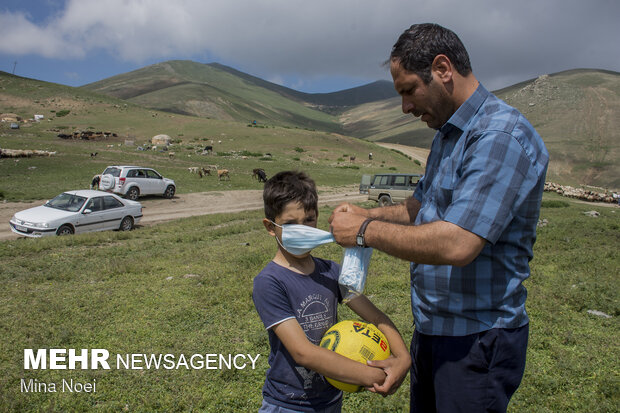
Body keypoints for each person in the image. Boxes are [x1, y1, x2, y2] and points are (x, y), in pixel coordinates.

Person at [329, 23, 549, 412]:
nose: (405, 108)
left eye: (409, 90)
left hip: (476, 340)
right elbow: (419, 209)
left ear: (443, 69)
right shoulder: (448, 137)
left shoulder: (500, 136)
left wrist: (364, 230)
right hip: (434, 331)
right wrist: (370, 212)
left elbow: (459, 242)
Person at [253, 170, 411, 412]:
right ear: (271, 227)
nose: (303, 229)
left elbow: (376, 317)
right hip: (287, 405)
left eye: (309, 220)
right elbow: (302, 352)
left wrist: (402, 357)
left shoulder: (331, 272)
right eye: (290, 224)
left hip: (331, 400)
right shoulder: (269, 282)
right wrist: (375, 376)